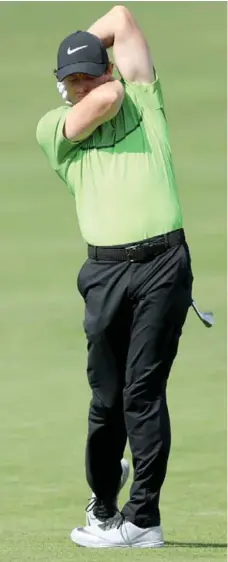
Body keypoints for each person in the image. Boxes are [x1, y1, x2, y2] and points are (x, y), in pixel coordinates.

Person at [36, 5, 193, 549]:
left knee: (143, 393)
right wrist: (100, 73)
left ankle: (143, 519)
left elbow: (122, 17)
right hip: (104, 274)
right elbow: (102, 101)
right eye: (71, 79)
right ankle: (104, 504)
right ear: (62, 88)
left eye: (90, 71)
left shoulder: (145, 100)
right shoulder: (54, 128)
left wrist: (80, 43)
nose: (84, 84)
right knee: (106, 400)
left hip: (164, 265)